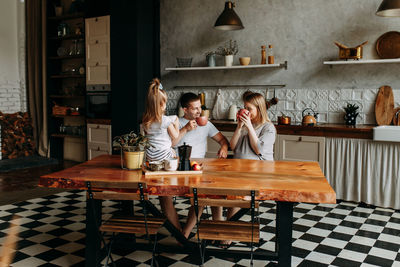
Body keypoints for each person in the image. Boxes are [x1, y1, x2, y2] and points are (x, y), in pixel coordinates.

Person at [172, 92, 230, 238]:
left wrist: (224, 147)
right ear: (185, 110)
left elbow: (223, 140)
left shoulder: (205, 124)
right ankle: (187, 232)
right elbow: (170, 144)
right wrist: (185, 129)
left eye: (200, 108)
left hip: (198, 170)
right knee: (204, 194)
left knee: (212, 191)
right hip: (180, 170)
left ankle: (217, 226)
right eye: (195, 108)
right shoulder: (176, 123)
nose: (199, 111)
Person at [223, 91, 276, 246]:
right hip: (240, 172)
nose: (245, 110)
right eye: (244, 107)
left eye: (249, 108)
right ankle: (226, 230)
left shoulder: (268, 128)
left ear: (259, 109)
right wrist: (239, 127)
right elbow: (232, 146)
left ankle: (228, 234)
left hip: (258, 175)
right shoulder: (245, 125)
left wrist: (250, 128)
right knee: (223, 196)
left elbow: (259, 149)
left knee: (235, 198)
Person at [141, 78, 182, 231]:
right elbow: (175, 138)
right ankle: (177, 230)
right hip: (166, 161)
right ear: (161, 105)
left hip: (151, 161)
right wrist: (176, 121)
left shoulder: (145, 121)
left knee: (164, 196)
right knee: (175, 152)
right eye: (165, 102)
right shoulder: (165, 121)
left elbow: (145, 139)